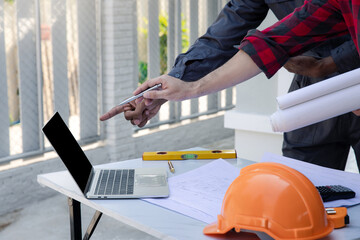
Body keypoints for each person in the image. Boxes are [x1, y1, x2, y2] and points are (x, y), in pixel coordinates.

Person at [100, 0, 360, 171]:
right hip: (312, 91)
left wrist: (331, 63)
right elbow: (267, 42)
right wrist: (179, 85)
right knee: (301, 197)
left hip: (353, 78)